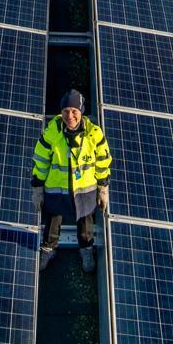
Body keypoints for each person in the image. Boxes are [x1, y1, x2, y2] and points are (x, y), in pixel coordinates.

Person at [32, 89, 111, 271]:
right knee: (53, 219)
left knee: (85, 220)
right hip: (57, 188)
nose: (70, 116)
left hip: (85, 190)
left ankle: (86, 249)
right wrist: (37, 187)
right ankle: (49, 249)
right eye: (66, 111)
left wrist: (103, 188)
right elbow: (41, 161)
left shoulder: (94, 135)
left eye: (74, 111)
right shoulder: (51, 133)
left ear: (81, 112)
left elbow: (103, 162)